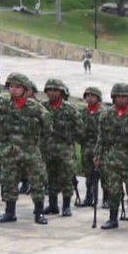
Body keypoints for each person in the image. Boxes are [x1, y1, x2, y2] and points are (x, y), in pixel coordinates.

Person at [0, 72, 51, 225]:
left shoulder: (36, 108)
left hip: (30, 151)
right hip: (10, 151)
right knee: (9, 181)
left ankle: (39, 212)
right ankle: (10, 212)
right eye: (11, 86)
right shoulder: (2, 107)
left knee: (37, 182)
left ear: (25, 89)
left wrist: (39, 145)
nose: (14, 90)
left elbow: (48, 127)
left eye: (17, 87)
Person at [95, 83, 128, 231]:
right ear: (113, 97)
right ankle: (113, 219)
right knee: (113, 189)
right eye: (118, 96)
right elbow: (101, 138)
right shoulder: (106, 115)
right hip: (112, 159)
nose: (121, 99)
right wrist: (98, 155)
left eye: (124, 96)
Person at [41, 79, 80, 217]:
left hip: (65, 150)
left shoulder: (70, 109)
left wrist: (69, 138)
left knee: (66, 178)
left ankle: (66, 206)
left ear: (62, 92)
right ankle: (53, 205)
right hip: (47, 149)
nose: (52, 93)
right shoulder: (41, 107)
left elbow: (80, 129)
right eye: (50, 90)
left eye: (55, 90)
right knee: (50, 177)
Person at [77, 86, 103, 207]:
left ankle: (105, 199)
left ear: (98, 98)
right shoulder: (82, 112)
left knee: (102, 174)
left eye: (92, 96)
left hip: (99, 147)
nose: (90, 98)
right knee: (88, 174)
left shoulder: (103, 113)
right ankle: (89, 197)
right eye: (87, 96)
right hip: (86, 146)